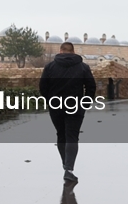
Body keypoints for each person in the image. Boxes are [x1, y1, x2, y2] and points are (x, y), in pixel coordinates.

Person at [39, 42, 97, 183]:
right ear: (73, 51)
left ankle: (65, 164)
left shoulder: (50, 67)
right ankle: (69, 169)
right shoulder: (83, 67)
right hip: (75, 106)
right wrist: (86, 102)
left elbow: (43, 87)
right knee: (72, 136)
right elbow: (91, 86)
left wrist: (50, 101)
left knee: (61, 134)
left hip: (56, 106)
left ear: (60, 50)